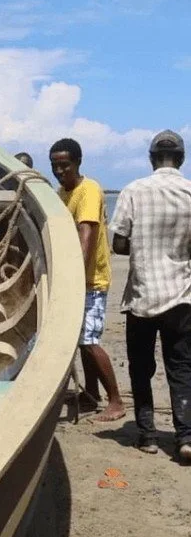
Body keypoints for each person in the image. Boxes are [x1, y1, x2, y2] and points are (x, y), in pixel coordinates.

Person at [111, 130, 191, 461]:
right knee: (182, 367)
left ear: (151, 158)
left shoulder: (133, 190)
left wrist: (142, 245)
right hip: (182, 296)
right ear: (182, 159)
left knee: (141, 368)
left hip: (143, 295)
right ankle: (185, 437)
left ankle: (147, 436)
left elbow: (118, 244)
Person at [49, 138, 125, 422]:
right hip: (79, 279)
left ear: (78, 163)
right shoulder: (62, 193)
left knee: (89, 340)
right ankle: (90, 394)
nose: (60, 172)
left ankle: (116, 401)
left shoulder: (88, 190)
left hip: (90, 279)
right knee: (80, 340)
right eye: (55, 166)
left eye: (65, 166)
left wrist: (73, 276)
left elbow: (87, 235)